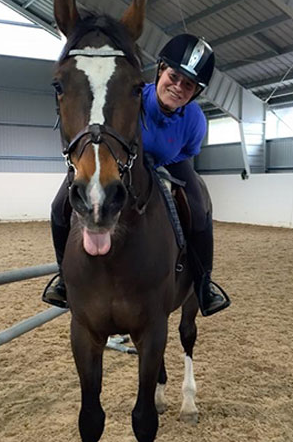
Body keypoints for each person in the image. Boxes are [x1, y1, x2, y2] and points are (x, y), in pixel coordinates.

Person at [43, 34, 230, 316]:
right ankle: (63, 279)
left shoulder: (195, 121)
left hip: (171, 161)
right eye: (174, 76)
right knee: (59, 207)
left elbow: (186, 152)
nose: (178, 87)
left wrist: (166, 173)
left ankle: (204, 283)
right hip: (122, 160)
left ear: (196, 92)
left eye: (188, 85)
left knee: (200, 210)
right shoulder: (135, 98)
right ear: (160, 70)